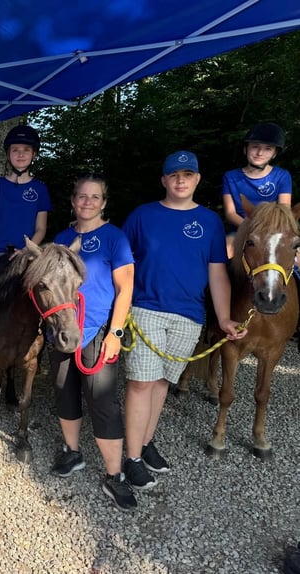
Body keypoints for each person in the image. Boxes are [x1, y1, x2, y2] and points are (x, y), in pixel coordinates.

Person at [121, 151, 247, 492]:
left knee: (162, 381)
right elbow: (121, 265)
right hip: (145, 309)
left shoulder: (209, 222)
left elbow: (218, 273)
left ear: (197, 180)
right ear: (163, 180)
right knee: (140, 383)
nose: (180, 179)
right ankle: (131, 459)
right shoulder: (142, 216)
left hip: (188, 315)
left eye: (187, 174)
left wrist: (223, 318)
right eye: (173, 174)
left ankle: (146, 443)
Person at [49, 174, 136, 511]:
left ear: (103, 202)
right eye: (82, 196)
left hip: (98, 330)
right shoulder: (61, 238)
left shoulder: (115, 238)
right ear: (73, 201)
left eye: (94, 197)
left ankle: (115, 476)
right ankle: (73, 452)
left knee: (102, 401)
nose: (87, 202)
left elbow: (124, 288)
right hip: (62, 330)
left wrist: (115, 333)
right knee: (63, 391)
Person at [0, 124, 51, 279]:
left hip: (25, 256)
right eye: (15, 150)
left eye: (26, 149)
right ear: (8, 154)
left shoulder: (39, 188)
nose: (20, 154)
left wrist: (26, 250)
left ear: (34, 154)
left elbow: (41, 229)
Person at [222, 122, 292, 257]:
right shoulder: (230, 177)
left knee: (297, 257)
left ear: (274, 153)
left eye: (268, 149)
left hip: (274, 230)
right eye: (255, 147)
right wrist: (253, 228)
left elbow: (285, 210)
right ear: (245, 149)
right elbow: (230, 213)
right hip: (241, 229)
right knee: (223, 252)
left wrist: (267, 230)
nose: (260, 153)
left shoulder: (282, 176)